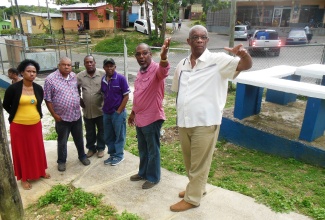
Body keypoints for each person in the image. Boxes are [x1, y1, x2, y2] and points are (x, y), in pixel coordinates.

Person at [170, 25, 252, 212]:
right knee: (190, 161)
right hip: (184, 121)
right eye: (195, 37)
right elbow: (177, 91)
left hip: (205, 122)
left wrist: (243, 54)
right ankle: (198, 188)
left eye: (203, 37)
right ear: (188, 41)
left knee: (199, 163)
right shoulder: (182, 64)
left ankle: (192, 198)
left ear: (207, 41)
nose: (199, 40)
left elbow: (245, 65)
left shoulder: (219, 61)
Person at [128, 38, 171, 189]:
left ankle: (153, 177)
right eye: (138, 54)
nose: (141, 57)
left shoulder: (157, 70)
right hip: (140, 118)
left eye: (144, 53)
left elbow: (164, 70)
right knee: (142, 148)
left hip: (152, 118)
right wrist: (133, 113)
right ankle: (143, 172)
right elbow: (138, 94)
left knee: (153, 150)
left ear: (150, 54)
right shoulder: (140, 72)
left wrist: (164, 57)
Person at [3, 59, 50, 190]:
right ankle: (24, 178)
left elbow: (38, 104)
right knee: (22, 152)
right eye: (28, 71)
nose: (32, 74)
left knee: (37, 149)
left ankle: (40, 171)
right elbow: (6, 105)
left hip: (35, 124)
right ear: (22, 72)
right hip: (19, 126)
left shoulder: (38, 88)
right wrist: (17, 115)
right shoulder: (13, 89)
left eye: (34, 72)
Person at [44, 57, 90, 172]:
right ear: (59, 65)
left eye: (69, 65)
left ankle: (82, 156)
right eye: (64, 65)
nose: (66, 67)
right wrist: (54, 115)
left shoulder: (74, 76)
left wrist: (81, 103)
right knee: (62, 141)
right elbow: (48, 99)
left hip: (76, 115)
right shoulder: (50, 79)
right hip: (62, 117)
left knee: (79, 138)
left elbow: (77, 92)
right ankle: (61, 161)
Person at [101, 58, 130, 166]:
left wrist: (119, 111)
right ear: (104, 67)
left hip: (117, 113)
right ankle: (112, 154)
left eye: (111, 66)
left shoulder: (121, 79)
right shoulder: (103, 80)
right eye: (107, 66)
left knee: (119, 135)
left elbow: (126, 96)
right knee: (108, 135)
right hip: (106, 113)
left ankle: (119, 155)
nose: (109, 68)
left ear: (115, 67)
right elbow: (104, 94)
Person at [77, 55, 105, 158]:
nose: (89, 64)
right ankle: (91, 148)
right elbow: (76, 88)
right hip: (87, 110)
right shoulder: (80, 76)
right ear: (84, 64)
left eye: (91, 62)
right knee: (90, 131)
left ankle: (101, 148)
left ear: (95, 63)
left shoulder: (102, 74)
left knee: (102, 131)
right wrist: (79, 99)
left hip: (100, 109)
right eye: (87, 62)